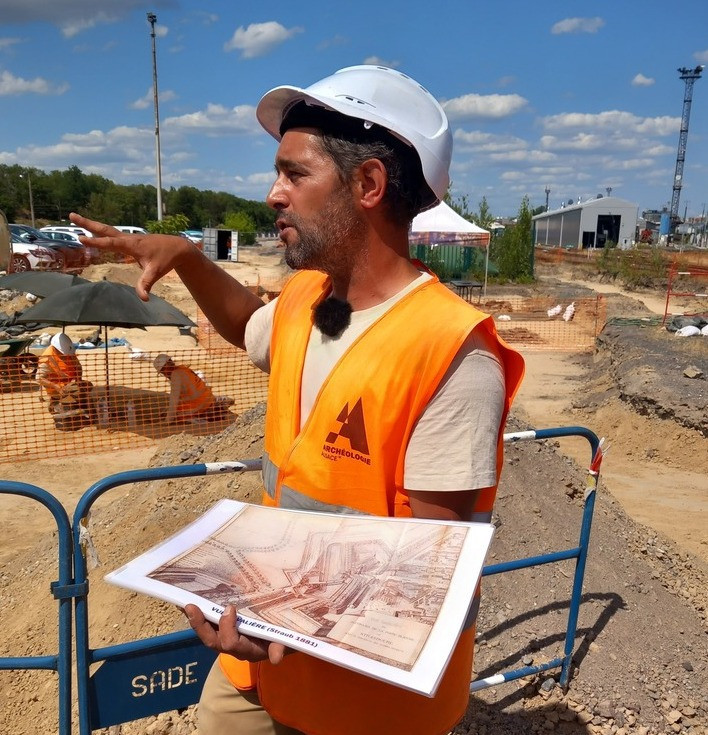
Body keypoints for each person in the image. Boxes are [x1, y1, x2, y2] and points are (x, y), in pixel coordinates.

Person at [70, 64, 525, 735]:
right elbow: (247, 326)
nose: (272, 193)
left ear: (367, 184)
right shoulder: (309, 301)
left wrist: (268, 607)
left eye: (295, 173)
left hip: (366, 705)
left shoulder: (452, 353)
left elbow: (427, 590)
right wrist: (188, 258)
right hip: (261, 670)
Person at [36, 332, 94, 417]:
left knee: (87, 385)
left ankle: (70, 403)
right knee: (78, 390)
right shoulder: (47, 358)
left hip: (69, 383)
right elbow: (39, 378)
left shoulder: (68, 351)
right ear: (56, 349)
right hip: (57, 387)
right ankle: (56, 401)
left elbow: (78, 366)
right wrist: (55, 386)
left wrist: (79, 380)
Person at [153, 352, 216, 423]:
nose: (164, 375)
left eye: (162, 372)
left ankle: (198, 421)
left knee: (178, 414)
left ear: (165, 367)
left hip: (202, 404)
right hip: (209, 399)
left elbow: (174, 402)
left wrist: (167, 421)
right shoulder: (182, 369)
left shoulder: (175, 376)